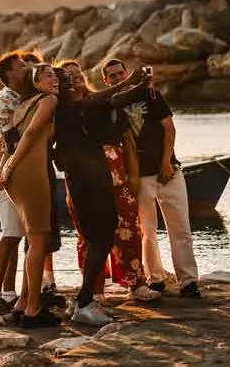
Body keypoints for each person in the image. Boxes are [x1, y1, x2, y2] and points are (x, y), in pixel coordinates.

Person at [51, 62, 153, 326]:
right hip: (87, 182)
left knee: (101, 238)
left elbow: (113, 100)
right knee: (100, 238)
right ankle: (85, 302)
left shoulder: (78, 106)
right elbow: (100, 99)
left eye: (75, 77)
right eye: (67, 80)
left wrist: (139, 85)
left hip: (94, 179)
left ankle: (83, 301)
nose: (74, 81)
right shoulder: (68, 108)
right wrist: (129, 82)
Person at [102, 59, 201, 299]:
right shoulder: (112, 105)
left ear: (127, 73)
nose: (117, 78)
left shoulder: (150, 95)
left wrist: (166, 162)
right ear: (106, 81)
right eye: (112, 76)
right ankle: (155, 278)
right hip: (140, 177)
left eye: (120, 73)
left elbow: (169, 128)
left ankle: (188, 281)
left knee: (181, 229)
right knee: (147, 231)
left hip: (168, 172)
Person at [0, 63, 60, 328]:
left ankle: (22, 303)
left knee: (34, 241)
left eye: (55, 75)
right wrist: (9, 167)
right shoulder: (49, 101)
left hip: (17, 176)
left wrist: (4, 168)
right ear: (36, 83)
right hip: (30, 173)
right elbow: (31, 134)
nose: (54, 79)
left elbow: (9, 139)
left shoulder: (23, 104)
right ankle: (33, 309)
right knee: (39, 241)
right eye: (48, 76)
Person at [0, 51, 33, 315]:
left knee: (15, 235)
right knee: (10, 234)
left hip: (12, 171)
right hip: (4, 173)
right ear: (10, 74)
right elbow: (12, 140)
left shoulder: (16, 97)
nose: (26, 68)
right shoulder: (6, 102)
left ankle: (9, 293)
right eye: (21, 66)